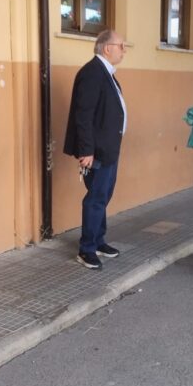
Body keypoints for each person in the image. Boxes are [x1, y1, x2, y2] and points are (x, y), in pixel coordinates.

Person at [63, 30, 127, 270]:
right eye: (121, 45)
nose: (124, 50)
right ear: (107, 48)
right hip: (97, 151)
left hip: (108, 148)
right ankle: (87, 248)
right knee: (96, 199)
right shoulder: (92, 73)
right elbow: (84, 114)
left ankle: (98, 241)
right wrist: (86, 151)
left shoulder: (106, 73)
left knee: (103, 196)